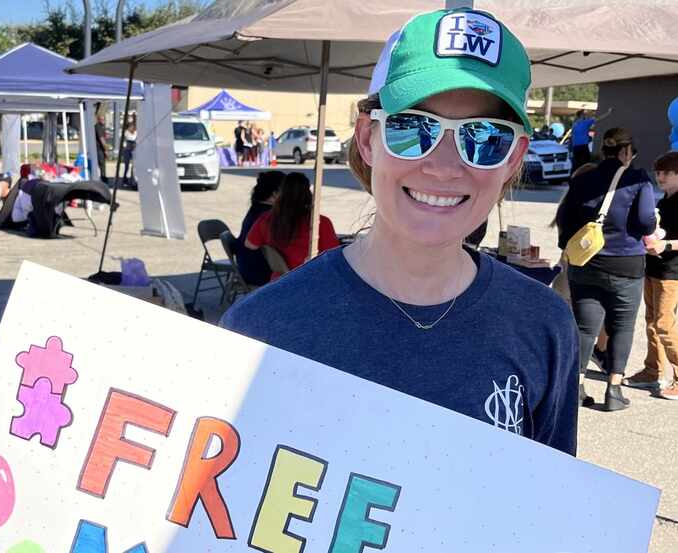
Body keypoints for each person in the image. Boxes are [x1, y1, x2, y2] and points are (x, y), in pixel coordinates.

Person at [222, 8, 578, 455]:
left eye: (485, 137)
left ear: (512, 158)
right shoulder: (262, 327)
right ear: (369, 138)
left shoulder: (543, 324)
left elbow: (549, 510)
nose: (446, 167)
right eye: (413, 127)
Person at [556, 128, 656, 411]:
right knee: (622, 327)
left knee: (585, 327)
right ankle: (613, 390)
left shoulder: (584, 178)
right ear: (626, 151)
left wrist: (568, 246)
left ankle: (575, 386)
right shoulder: (637, 179)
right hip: (626, 263)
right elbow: (647, 219)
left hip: (586, 263)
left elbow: (565, 217)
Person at [625, 151, 678, 399]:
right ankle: (652, 371)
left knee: (664, 325)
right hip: (654, 268)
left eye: (666, 172)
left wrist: (666, 246)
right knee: (651, 323)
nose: (660, 177)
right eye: (657, 172)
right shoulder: (664, 200)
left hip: (672, 273)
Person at [245, 172, 339, 279]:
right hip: (309, 281)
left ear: (281, 194)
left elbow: (250, 244)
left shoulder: (266, 219)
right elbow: (334, 256)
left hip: (278, 282)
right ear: (308, 195)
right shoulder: (319, 222)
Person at [235, 171, 285, 286]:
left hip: (247, 268)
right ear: (274, 194)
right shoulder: (268, 216)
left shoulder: (257, 209)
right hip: (261, 275)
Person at [95, 112, 108, 184]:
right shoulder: (98, 127)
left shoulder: (101, 127)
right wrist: (106, 150)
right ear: (98, 120)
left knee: (101, 164)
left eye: (104, 119)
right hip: (99, 149)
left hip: (100, 149)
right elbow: (101, 139)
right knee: (102, 164)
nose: (103, 120)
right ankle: (103, 178)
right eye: (101, 119)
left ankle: (102, 177)